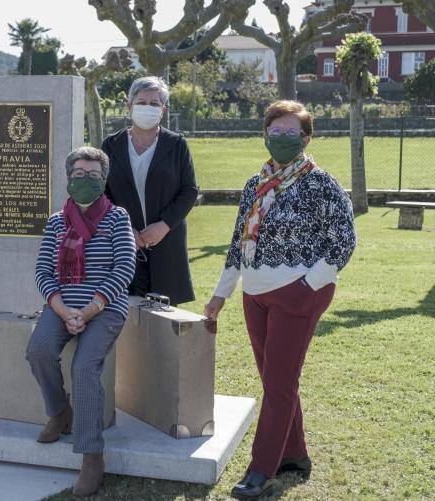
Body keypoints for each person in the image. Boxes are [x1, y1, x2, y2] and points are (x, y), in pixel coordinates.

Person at [204, 100, 357, 500]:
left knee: (277, 384)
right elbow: (238, 242)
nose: (283, 138)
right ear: (265, 135)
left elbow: (344, 240)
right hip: (254, 295)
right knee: (277, 381)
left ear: (306, 139)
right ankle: (294, 455)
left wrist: (308, 286)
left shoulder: (320, 184)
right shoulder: (255, 184)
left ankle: (261, 471)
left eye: (292, 132)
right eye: (276, 131)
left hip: (297, 294)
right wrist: (221, 294)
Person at [26, 147, 136, 497]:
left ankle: (91, 455)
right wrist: (62, 310)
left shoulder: (117, 218)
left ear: (104, 180)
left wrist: (89, 310)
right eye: (79, 174)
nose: (85, 179)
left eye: (93, 175)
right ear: (68, 178)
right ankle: (60, 413)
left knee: (84, 367)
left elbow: (125, 267)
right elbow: (43, 270)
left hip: (104, 307)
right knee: (39, 350)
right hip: (62, 305)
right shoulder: (56, 221)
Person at [100, 76, 198, 305]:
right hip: (124, 243)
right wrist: (125, 229)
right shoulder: (111, 145)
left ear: (163, 110)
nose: (148, 107)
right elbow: (102, 193)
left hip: (167, 241)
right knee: (122, 310)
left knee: (164, 314)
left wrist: (164, 225)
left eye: (154, 103)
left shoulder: (177, 144)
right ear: (129, 106)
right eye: (141, 102)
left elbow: (189, 190)